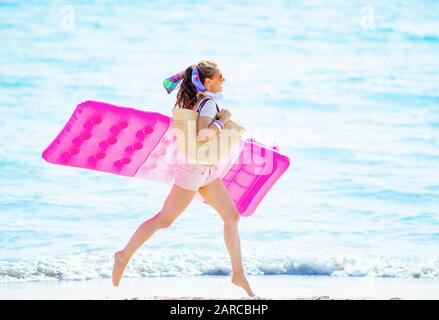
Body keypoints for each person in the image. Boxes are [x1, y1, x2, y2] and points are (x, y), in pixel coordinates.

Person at [112, 60, 255, 297]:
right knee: (164, 220)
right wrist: (222, 120)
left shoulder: (201, 101)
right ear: (207, 81)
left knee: (231, 217)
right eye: (220, 76)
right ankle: (123, 256)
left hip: (206, 171)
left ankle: (238, 274)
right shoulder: (209, 104)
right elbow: (203, 134)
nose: (224, 80)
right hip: (193, 171)